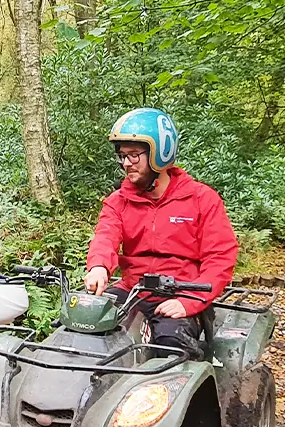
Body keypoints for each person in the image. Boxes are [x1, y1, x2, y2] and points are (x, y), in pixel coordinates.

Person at [85, 107, 238, 353]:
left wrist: (189, 302)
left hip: (183, 293)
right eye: (122, 155)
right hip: (133, 291)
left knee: (170, 346)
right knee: (84, 326)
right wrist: (99, 267)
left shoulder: (201, 199)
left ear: (160, 153)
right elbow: (106, 236)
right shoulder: (119, 200)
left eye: (134, 155)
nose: (126, 163)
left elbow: (220, 257)